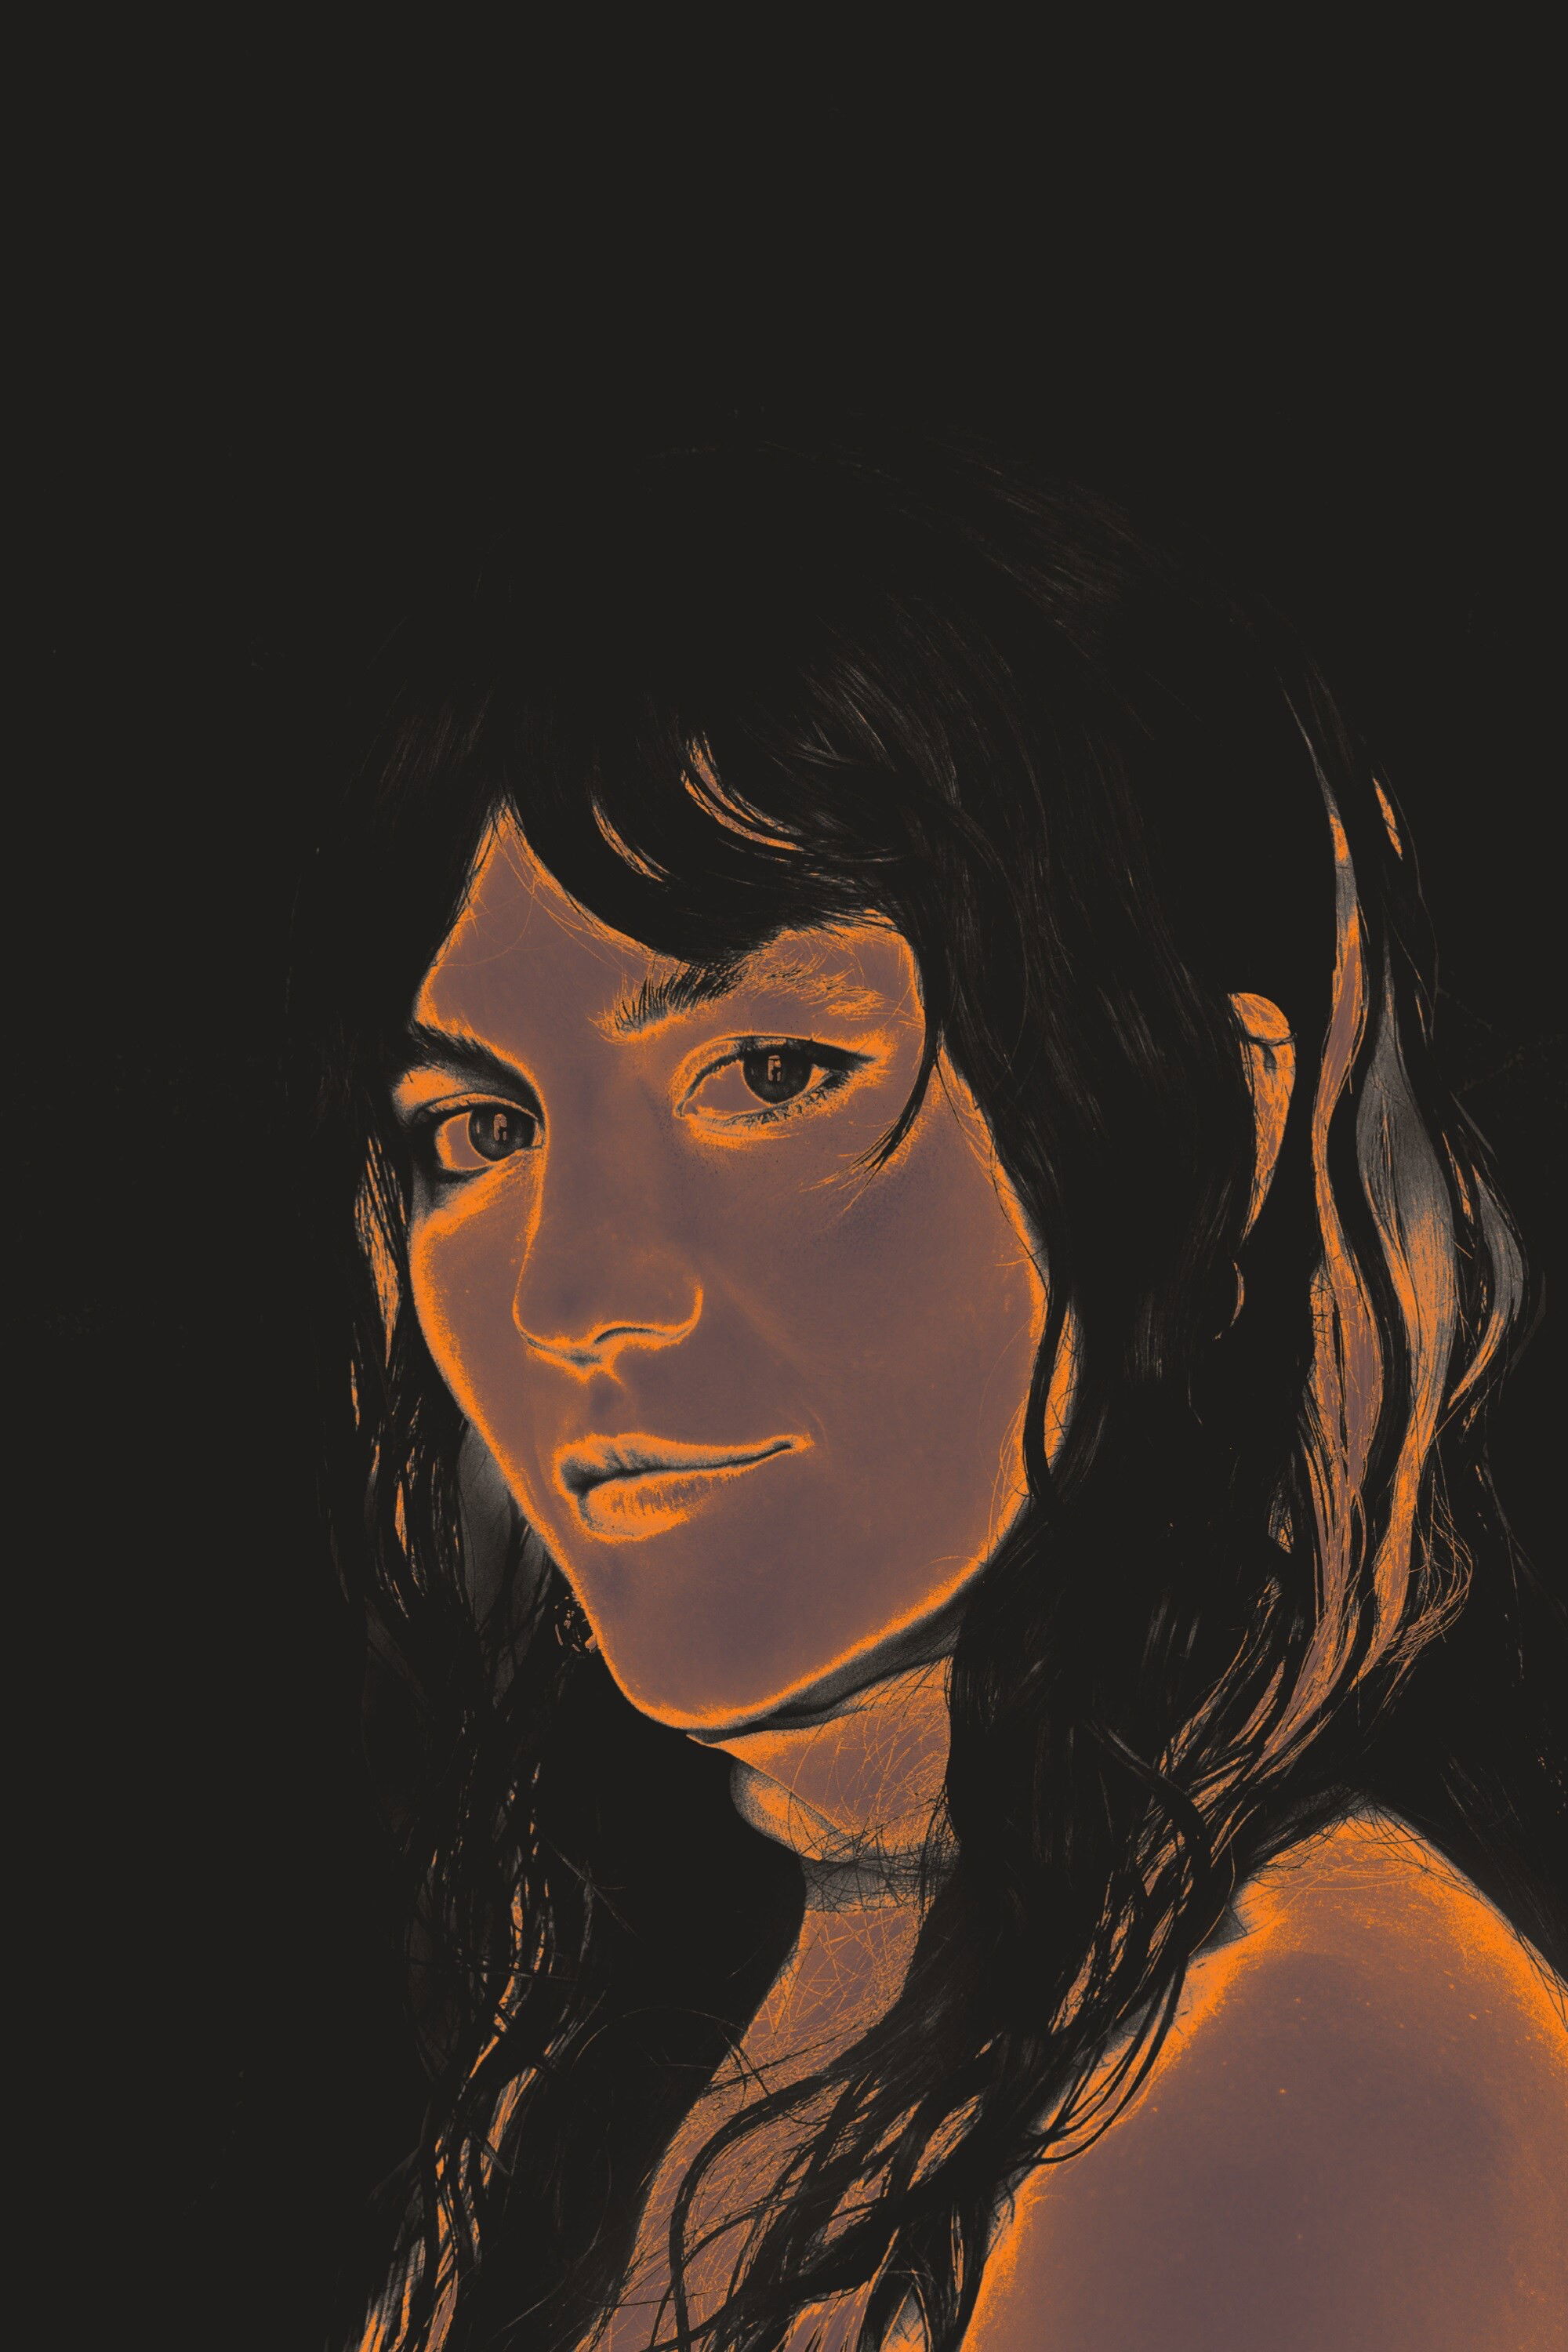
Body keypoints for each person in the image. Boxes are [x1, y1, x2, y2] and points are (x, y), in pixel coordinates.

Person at [292, 428, 1567, 2352]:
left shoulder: (1312, 2097)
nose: (568, 1293)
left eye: (773, 1073)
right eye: (480, 1128)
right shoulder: (652, 2017)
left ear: (1210, 1139)